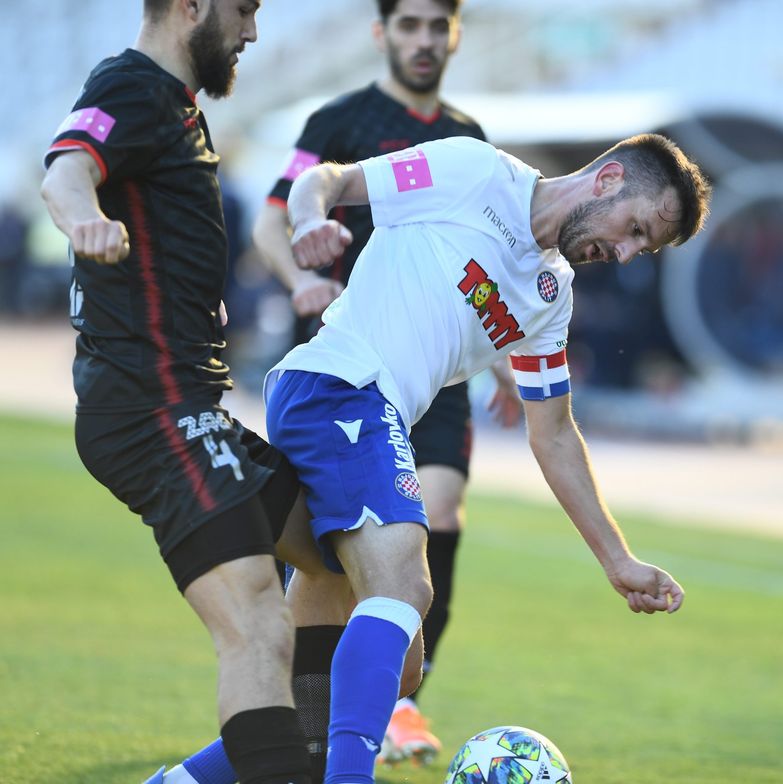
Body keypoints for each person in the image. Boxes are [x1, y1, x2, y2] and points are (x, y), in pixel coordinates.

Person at [267, 131, 710, 784]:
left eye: (640, 249)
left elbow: (553, 433)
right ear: (609, 179)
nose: (623, 254)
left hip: (364, 412)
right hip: (339, 385)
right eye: (635, 230)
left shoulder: (551, 296)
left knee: (374, 672)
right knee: (405, 590)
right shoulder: (475, 173)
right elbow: (328, 180)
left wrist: (618, 560)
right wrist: (308, 221)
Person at [38, 3, 326, 783]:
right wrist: (84, 219)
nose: (253, 32)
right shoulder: (131, 85)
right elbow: (65, 170)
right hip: (151, 410)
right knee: (257, 621)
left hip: (190, 405)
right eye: (244, 9)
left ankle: (213, 775)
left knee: (334, 557)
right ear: (192, 5)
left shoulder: (177, 106)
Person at [252, 0, 521, 769]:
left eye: (438, 26)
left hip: (432, 375)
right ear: (382, 34)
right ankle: (303, 710)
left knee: (438, 511)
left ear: (455, 35)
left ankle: (399, 701)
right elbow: (274, 219)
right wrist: (301, 280)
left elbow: (483, 270)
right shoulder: (339, 122)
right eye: (409, 25)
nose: (424, 40)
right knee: (328, 558)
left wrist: (504, 360)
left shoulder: (469, 139)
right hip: (349, 365)